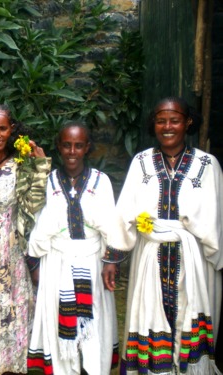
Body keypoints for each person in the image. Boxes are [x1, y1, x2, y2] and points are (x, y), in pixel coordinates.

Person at [102, 97, 223, 374]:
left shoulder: (208, 165)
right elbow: (125, 214)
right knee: (149, 319)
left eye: (175, 120)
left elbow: (217, 221)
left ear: (187, 122)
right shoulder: (141, 162)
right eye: (160, 120)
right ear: (153, 124)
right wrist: (113, 259)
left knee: (190, 323)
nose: (167, 126)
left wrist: (217, 261)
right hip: (150, 259)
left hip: (194, 263)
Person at [27, 122, 119, 375]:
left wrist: (111, 261)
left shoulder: (102, 182)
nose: (72, 151)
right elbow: (37, 224)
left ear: (87, 148)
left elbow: (112, 226)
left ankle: (94, 369)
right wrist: (35, 263)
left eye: (78, 146)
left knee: (95, 323)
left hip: (93, 262)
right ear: (59, 147)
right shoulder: (48, 182)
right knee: (60, 325)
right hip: (57, 261)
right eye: (66, 145)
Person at [0, 104, 51, 375]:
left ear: (12, 129)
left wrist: (39, 164)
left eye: (2, 128)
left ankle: (13, 367)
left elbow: (35, 203)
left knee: (13, 308)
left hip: (12, 248)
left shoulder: (22, 163)